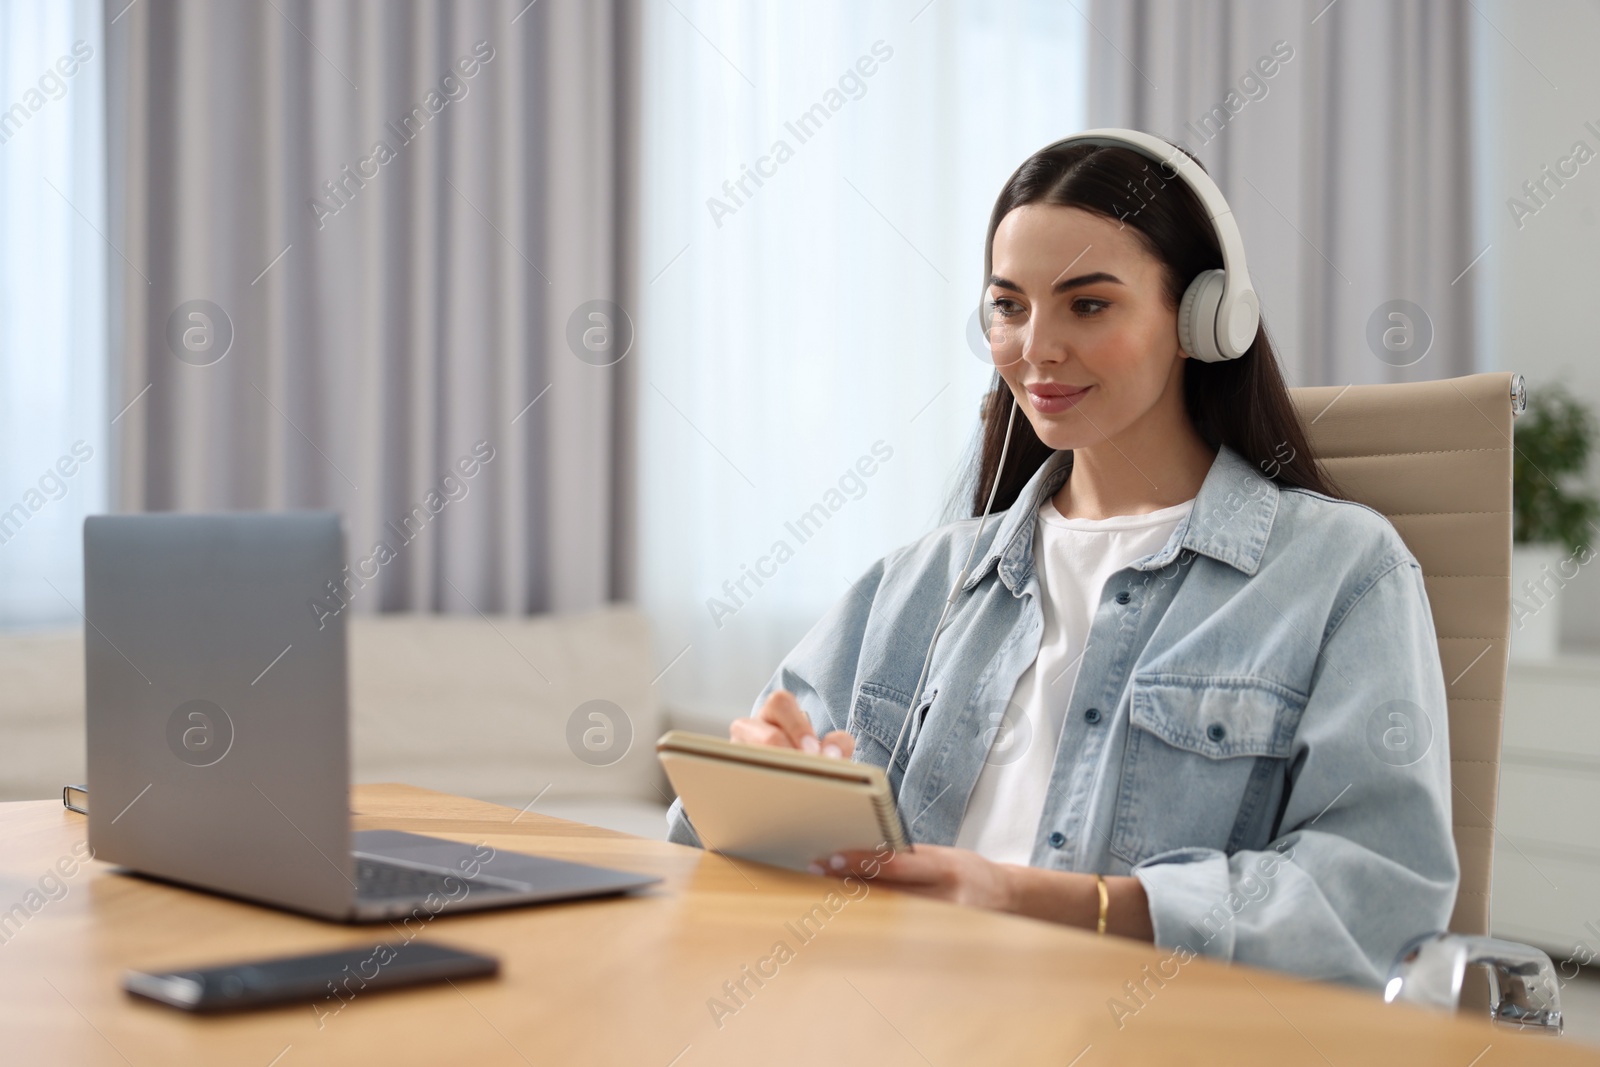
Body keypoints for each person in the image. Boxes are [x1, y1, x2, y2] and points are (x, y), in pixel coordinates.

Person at [665, 131, 1458, 989]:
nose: (1036, 348)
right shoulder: (923, 580)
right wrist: (773, 790)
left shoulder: (1339, 569)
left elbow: (1379, 891)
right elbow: (698, 846)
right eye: (1009, 305)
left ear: (1204, 318)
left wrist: (1053, 902)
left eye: (1087, 305)